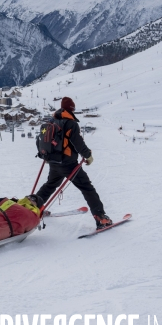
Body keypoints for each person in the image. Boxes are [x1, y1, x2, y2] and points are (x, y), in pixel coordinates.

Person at [35, 97, 113, 230]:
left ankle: (34, 209)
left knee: (49, 185)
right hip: (68, 164)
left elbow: (41, 140)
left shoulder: (52, 120)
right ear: (71, 109)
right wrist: (88, 156)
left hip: (53, 161)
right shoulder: (71, 124)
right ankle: (101, 218)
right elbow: (78, 143)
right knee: (87, 188)